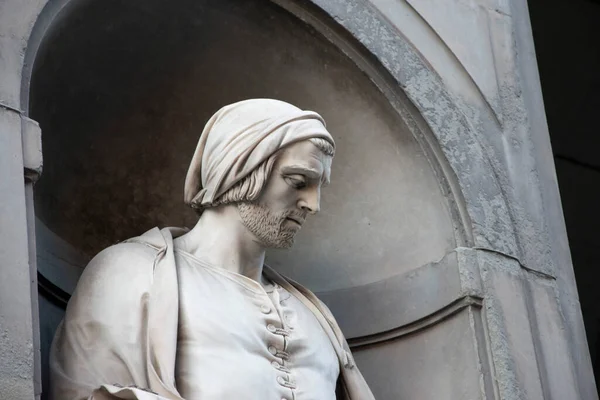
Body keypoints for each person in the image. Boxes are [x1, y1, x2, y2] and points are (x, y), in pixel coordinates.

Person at [50, 99, 375, 400]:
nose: (313, 205)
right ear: (240, 172)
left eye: (320, 188)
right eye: (298, 181)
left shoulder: (314, 316)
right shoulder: (129, 275)